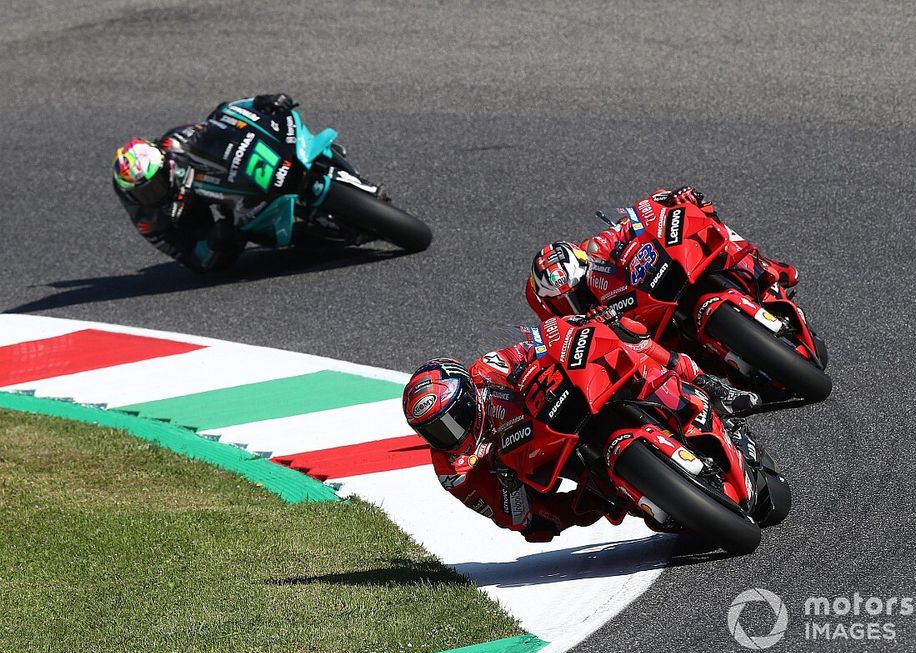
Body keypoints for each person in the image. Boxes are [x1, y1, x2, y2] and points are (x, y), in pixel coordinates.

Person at [401, 307, 761, 543]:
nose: (451, 434)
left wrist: (573, 328)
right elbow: (511, 516)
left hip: (566, 403)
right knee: (546, 521)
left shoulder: (485, 372)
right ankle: (630, 493)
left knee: (624, 334)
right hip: (550, 459)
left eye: (451, 419)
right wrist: (514, 491)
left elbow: (534, 346)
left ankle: (707, 387)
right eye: (436, 431)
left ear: (467, 396)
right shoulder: (453, 468)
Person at [112, 93, 376, 271]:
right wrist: (212, 245)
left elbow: (222, 118)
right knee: (234, 240)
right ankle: (309, 237)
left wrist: (261, 103)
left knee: (301, 144)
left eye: (154, 185)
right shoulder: (146, 215)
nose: (153, 194)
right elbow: (183, 254)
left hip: (224, 173)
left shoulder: (175, 142)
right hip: (208, 214)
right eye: (145, 192)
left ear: (164, 165)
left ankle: (355, 180)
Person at [525, 186, 800, 319]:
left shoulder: (595, 248)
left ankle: (765, 266)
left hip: (645, 288)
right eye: (566, 298)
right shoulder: (558, 314)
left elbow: (633, 221)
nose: (574, 299)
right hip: (635, 326)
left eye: (573, 292)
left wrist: (668, 199)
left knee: (699, 214)